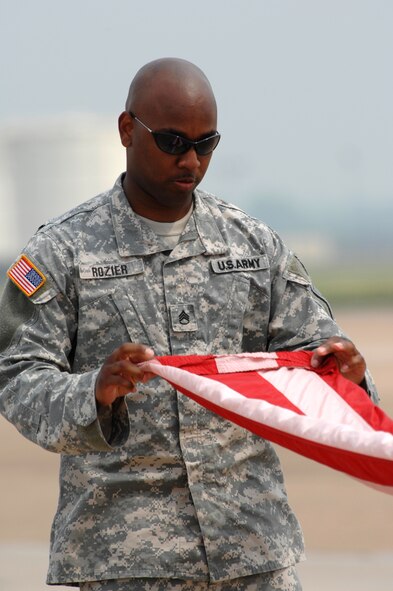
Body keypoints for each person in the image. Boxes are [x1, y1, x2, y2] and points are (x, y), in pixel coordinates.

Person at [0, 58, 378, 591]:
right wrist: (94, 392)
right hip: (125, 560)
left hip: (253, 552)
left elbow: (316, 357)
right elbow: (16, 377)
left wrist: (350, 380)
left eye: (207, 144)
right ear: (128, 130)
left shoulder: (252, 245)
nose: (193, 161)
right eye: (174, 142)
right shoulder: (60, 253)